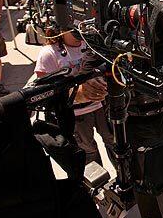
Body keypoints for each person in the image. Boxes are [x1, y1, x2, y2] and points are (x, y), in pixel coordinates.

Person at [34, 27, 114, 166]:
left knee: (114, 143)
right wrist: (77, 94)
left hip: (102, 107)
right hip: (76, 115)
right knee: (88, 153)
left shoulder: (94, 44)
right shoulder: (49, 53)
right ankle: (98, 185)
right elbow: (45, 92)